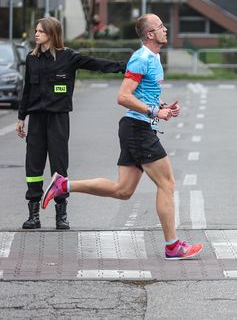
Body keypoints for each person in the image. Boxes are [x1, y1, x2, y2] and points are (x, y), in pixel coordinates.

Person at [41, 14, 204, 260]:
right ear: (150, 34)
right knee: (167, 184)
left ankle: (63, 185)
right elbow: (124, 96)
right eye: (160, 26)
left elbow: (143, 94)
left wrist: (162, 107)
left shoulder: (154, 57)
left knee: (123, 190)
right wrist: (153, 111)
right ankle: (172, 246)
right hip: (137, 129)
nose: (165, 29)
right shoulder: (140, 59)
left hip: (136, 128)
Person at [16, 17, 125, 230]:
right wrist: (21, 117)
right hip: (37, 118)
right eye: (35, 31)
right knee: (33, 165)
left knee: (59, 164)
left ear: (51, 33)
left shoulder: (69, 57)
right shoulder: (32, 59)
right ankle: (34, 214)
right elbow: (27, 89)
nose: (36, 35)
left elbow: (96, 64)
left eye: (40, 31)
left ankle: (61, 214)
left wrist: (124, 67)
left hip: (58, 118)